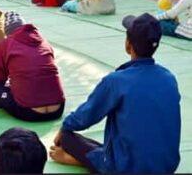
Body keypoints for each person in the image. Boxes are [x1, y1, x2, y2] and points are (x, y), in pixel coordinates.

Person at [50, 13, 181, 174]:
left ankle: (82, 161)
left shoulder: (117, 81)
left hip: (126, 168)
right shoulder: (169, 78)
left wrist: (65, 127)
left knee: (67, 138)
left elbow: (85, 116)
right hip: (165, 166)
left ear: (128, 45)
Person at [0, 12, 65, 122]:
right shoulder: (44, 42)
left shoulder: (6, 44)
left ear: (7, 32)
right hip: (58, 109)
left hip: (29, 111)